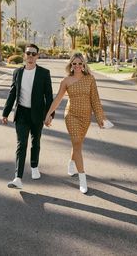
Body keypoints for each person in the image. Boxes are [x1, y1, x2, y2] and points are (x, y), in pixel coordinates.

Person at [45, 52, 107, 194]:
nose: (77, 66)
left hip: (86, 116)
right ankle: (82, 179)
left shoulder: (90, 79)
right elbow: (58, 99)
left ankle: (71, 162)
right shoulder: (66, 81)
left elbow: (95, 99)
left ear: (84, 65)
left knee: (77, 144)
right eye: (74, 63)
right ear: (71, 65)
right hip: (71, 115)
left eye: (80, 63)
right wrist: (48, 114)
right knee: (77, 142)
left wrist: (100, 117)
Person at [2, 44, 54, 189]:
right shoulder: (17, 72)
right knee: (21, 144)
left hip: (37, 114)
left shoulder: (44, 73)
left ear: (37, 56)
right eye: (28, 53)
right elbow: (12, 93)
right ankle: (18, 178)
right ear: (24, 55)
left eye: (33, 54)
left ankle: (34, 166)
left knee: (35, 141)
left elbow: (48, 96)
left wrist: (50, 115)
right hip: (22, 114)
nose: (30, 56)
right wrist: (5, 113)